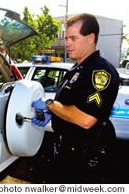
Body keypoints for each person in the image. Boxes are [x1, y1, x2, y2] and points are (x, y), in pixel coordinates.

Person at [31, 13, 120, 183]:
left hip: (87, 158)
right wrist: (56, 113)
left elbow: (86, 119)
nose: (67, 43)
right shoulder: (78, 67)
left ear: (90, 38)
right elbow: (71, 103)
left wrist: (50, 105)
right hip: (70, 150)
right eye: (66, 38)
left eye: (73, 38)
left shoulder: (99, 71)